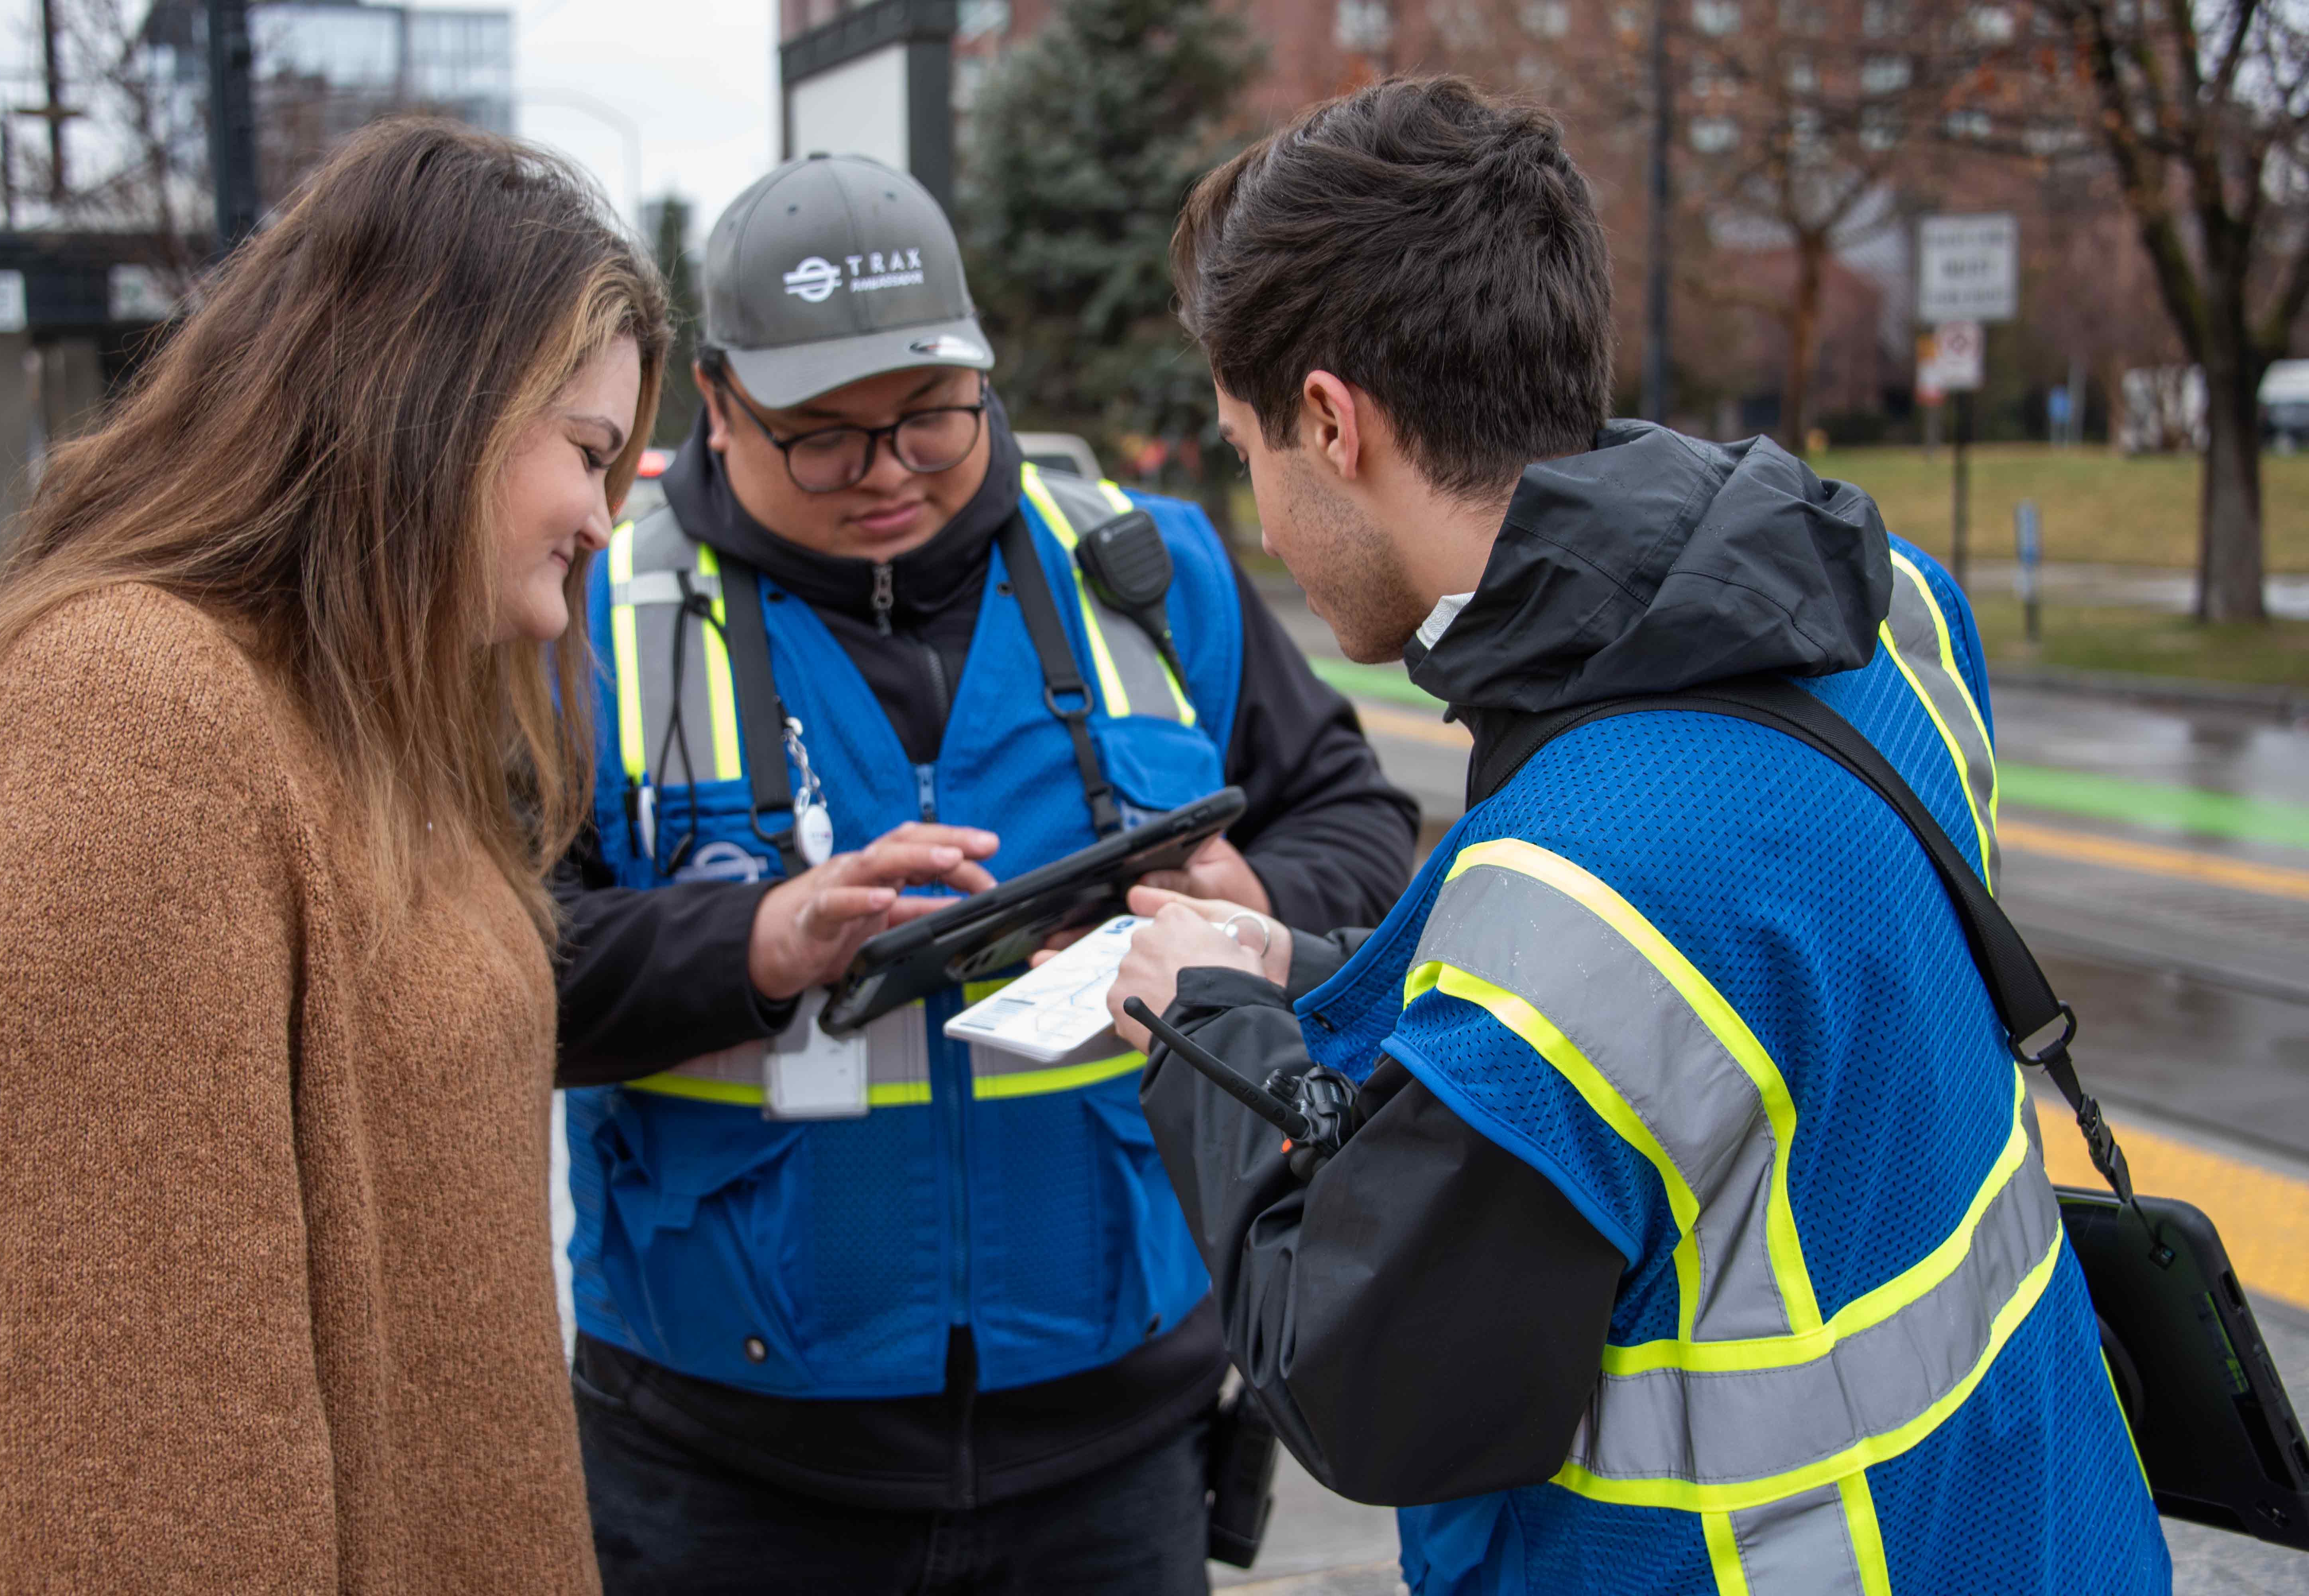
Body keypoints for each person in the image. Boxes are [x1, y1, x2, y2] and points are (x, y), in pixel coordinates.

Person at [1109, 76, 2171, 1596]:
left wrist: (1207, 1025)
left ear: (1334, 425)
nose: (1262, 522)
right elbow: (1736, 1019)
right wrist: (1310, 962)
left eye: (1244, 452)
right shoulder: (1890, 614)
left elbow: (1362, 1379)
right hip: (2036, 1526)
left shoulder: (1594, 891)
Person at [554, 152, 1417, 1593]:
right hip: (726, 1462)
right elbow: (502, 967)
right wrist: (760, 945)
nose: (887, 474)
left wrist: (1246, 902)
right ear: (716, 400)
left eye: (931, 422)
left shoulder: (1151, 572)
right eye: (822, 437)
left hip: (1114, 1438)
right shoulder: (597, 618)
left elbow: (1356, 824)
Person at [0, 119, 666, 1590]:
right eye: (586, 453)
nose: (603, 517)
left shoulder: (340, 726)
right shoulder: (134, 714)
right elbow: (122, 1466)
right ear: (432, 403)